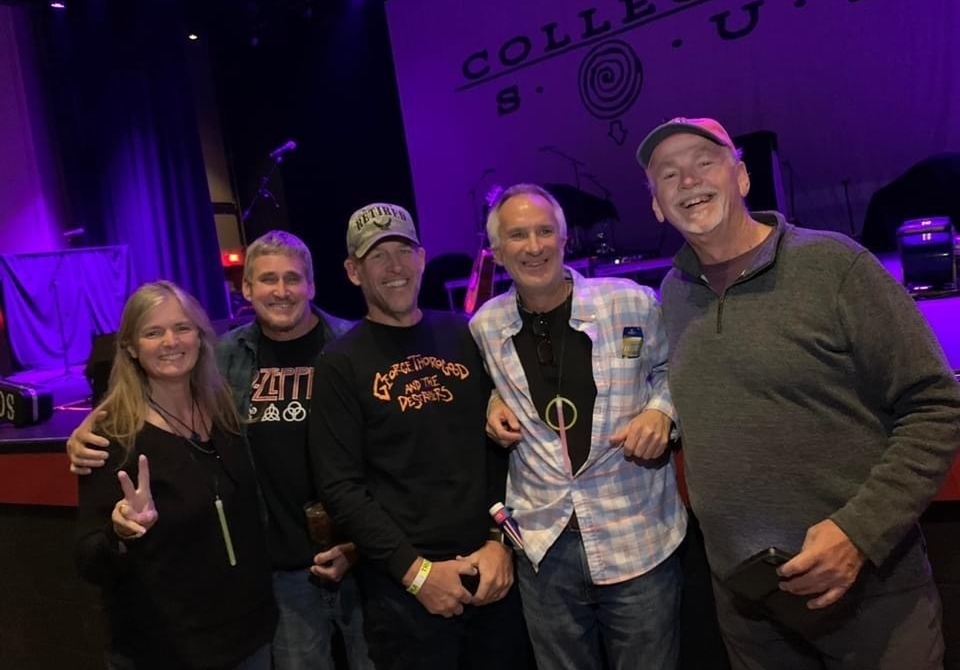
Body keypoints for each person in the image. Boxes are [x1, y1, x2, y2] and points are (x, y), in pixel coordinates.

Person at [636, 116, 960, 669]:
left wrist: (858, 533)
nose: (688, 181)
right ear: (657, 207)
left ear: (742, 178)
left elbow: (935, 403)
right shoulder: (674, 293)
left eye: (704, 162)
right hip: (750, 610)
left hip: (871, 597)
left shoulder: (833, 265)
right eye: (669, 174)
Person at [68, 231, 373, 670]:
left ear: (311, 284)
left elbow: (388, 445)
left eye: (293, 278)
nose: (281, 290)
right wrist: (93, 424)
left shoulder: (353, 345)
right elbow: (151, 388)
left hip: (365, 557)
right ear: (246, 288)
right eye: (267, 279)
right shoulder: (228, 360)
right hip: (280, 578)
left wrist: (359, 541)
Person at [471, 183, 687, 670]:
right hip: (544, 545)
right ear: (497, 253)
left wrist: (662, 412)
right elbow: (483, 385)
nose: (534, 246)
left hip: (636, 533)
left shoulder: (631, 303)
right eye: (518, 235)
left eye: (545, 231)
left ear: (565, 239)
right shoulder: (484, 326)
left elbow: (674, 369)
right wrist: (491, 400)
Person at [308, 202, 528, 670]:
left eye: (404, 251)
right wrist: (416, 574)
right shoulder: (339, 363)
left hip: (491, 572)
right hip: (405, 595)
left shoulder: (463, 333)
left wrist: (500, 540)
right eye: (377, 256)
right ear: (353, 271)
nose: (395, 267)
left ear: (423, 258)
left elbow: (500, 446)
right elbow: (340, 487)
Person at [75, 281, 277, 670]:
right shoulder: (112, 439)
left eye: (182, 328)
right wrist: (120, 534)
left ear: (200, 336)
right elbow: (87, 560)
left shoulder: (224, 410)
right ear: (131, 347)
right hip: (165, 651)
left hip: (249, 637)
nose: (171, 341)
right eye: (153, 332)